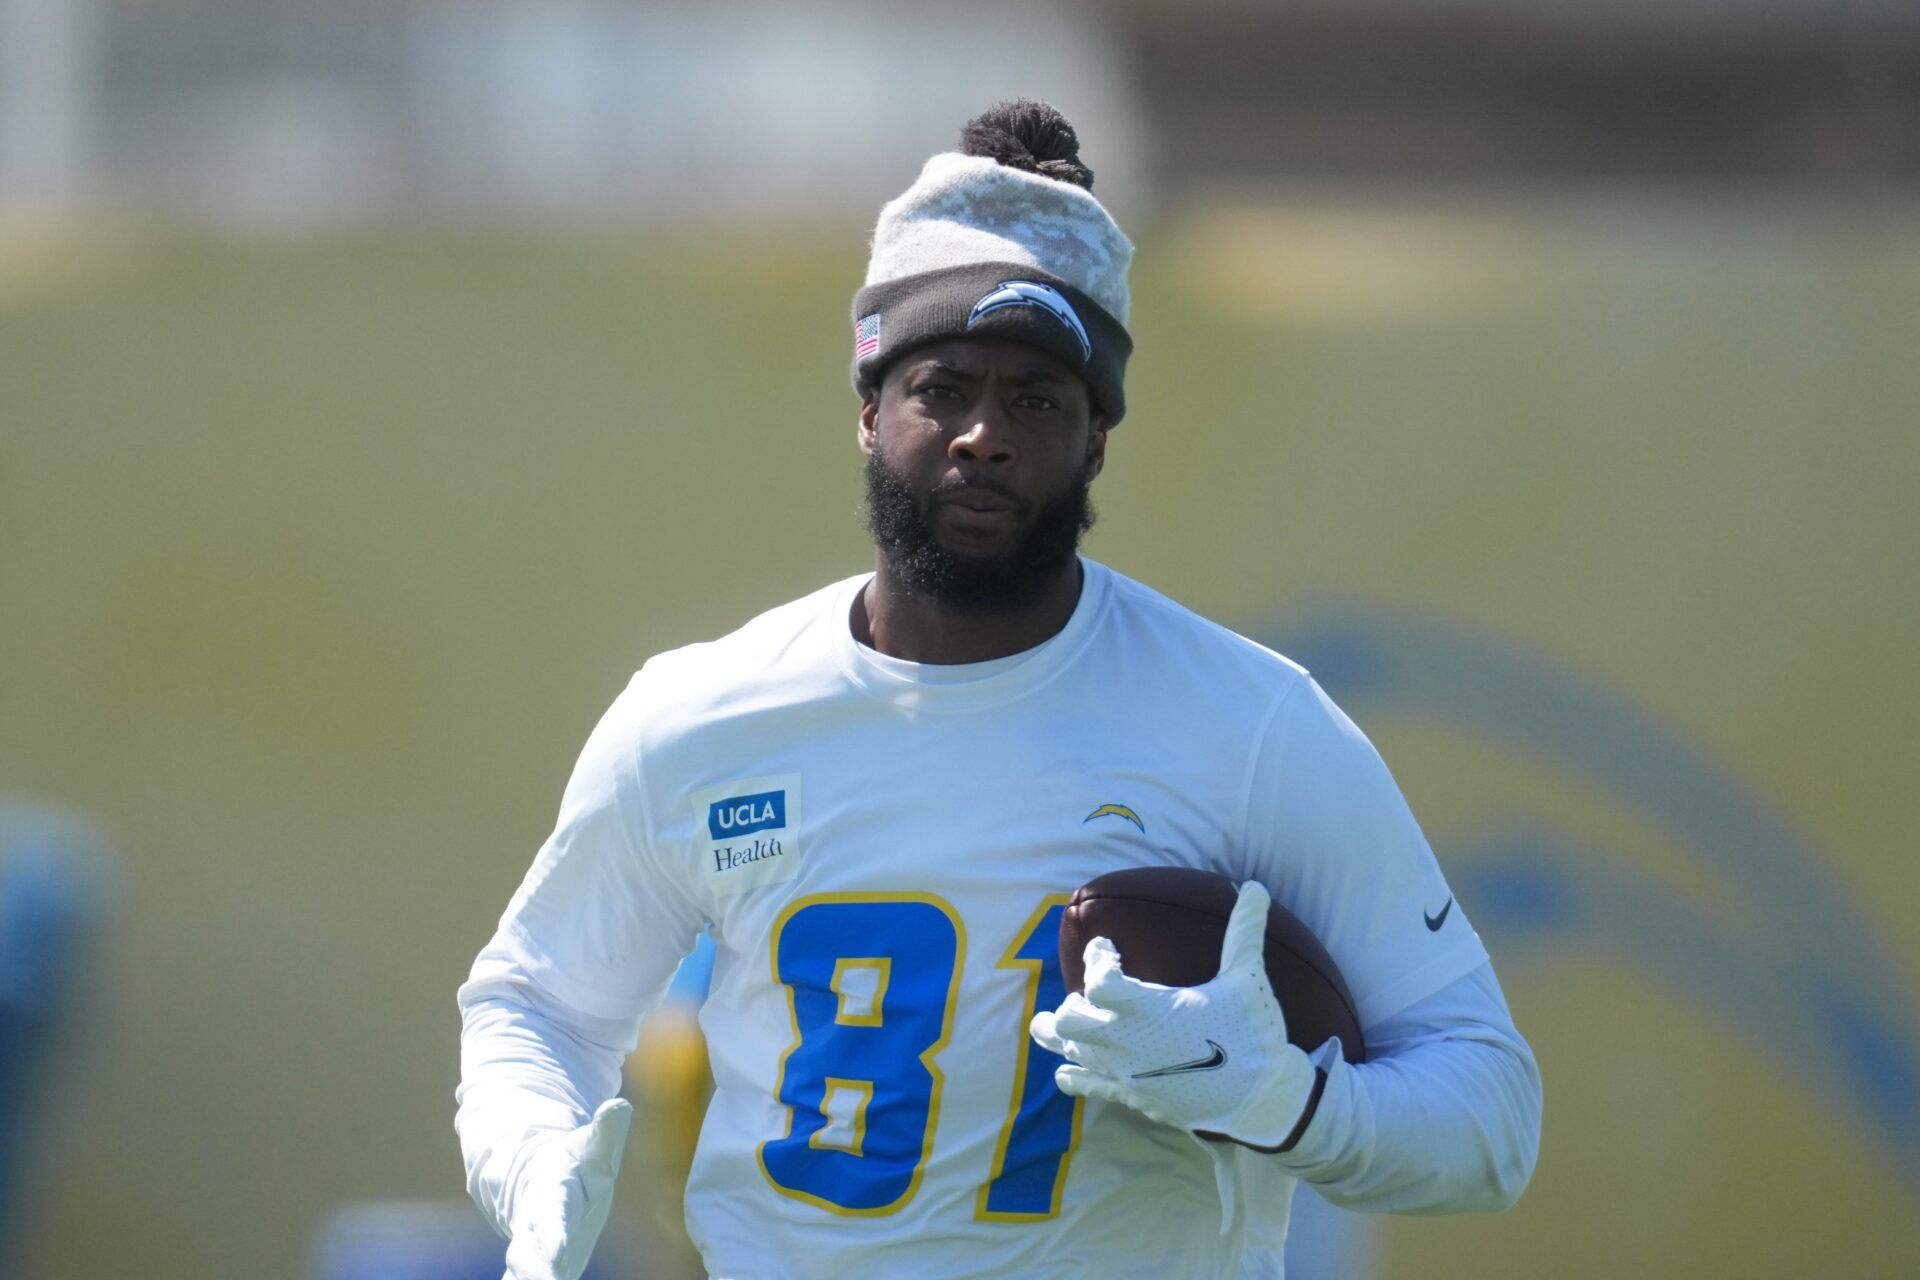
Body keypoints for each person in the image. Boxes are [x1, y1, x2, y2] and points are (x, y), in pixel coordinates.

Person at [456, 100, 1542, 1280]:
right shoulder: (699, 718)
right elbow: (537, 1004)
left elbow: (1489, 1113)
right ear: (869, 410)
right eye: (944, 384)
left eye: (1036, 398)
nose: (984, 433)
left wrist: (1289, 1100)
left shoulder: (1253, 725)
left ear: (1097, 444)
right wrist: (531, 1161)